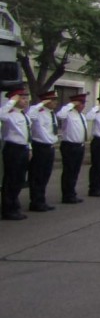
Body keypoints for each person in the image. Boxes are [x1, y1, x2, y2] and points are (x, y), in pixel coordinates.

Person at [1, 88, 32, 220]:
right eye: (22, 98)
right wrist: (11, 102)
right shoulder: (9, 114)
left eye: (26, 98)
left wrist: (29, 148)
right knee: (11, 180)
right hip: (13, 149)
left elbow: (27, 134)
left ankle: (15, 206)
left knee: (19, 179)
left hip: (23, 149)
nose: (26, 101)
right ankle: (8, 210)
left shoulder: (24, 115)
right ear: (15, 99)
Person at [27, 90, 59, 212]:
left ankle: (41, 200)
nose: (55, 102)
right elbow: (29, 115)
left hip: (49, 147)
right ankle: (35, 202)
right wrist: (41, 104)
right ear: (46, 101)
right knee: (37, 176)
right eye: (53, 100)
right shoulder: (38, 112)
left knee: (45, 175)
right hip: (39, 147)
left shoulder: (51, 113)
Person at [57, 93, 90, 204]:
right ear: (75, 104)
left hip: (80, 146)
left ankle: (72, 193)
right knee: (69, 171)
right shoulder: (68, 113)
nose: (83, 106)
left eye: (84, 103)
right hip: (69, 146)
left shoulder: (81, 116)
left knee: (75, 171)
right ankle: (67, 195)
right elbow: (60, 115)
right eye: (81, 103)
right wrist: (70, 104)